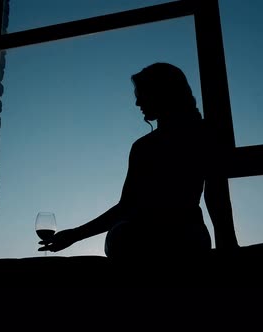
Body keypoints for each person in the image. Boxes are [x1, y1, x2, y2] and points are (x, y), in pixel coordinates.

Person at [38, 62, 239, 260]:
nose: (137, 103)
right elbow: (216, 196)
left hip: (145, 239)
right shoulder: (204, 134)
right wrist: (229, 245)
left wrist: (75, 235)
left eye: (141, 95)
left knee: (121, 236)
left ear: (161, 93)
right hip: (191, 238)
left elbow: (126, 207)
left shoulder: (145, 147)